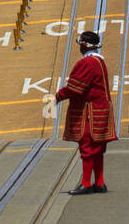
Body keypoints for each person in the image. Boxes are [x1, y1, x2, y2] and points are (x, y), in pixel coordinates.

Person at [47, 30, 117, 194]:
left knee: (87, 145)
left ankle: (86, 183)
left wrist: (57, 97)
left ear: (84, 46)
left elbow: (75, 88)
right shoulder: (98, 62)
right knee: (97, 147)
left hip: (90, 111)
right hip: (101, 109)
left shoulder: (86, 63)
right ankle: (99, 182)